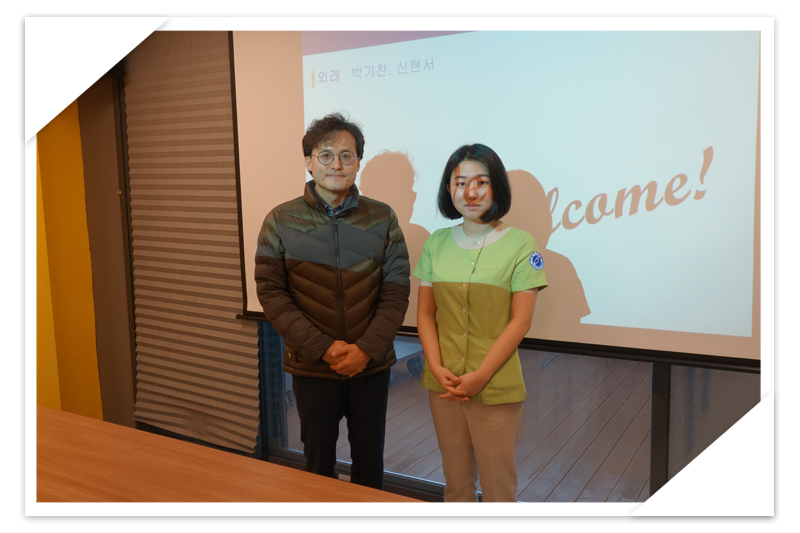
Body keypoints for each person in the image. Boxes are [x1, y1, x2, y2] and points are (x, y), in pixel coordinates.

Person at [254, 113, 410, 489]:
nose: (336, 165)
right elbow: (271, 293)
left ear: (358, 162)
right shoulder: (280, 220)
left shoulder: (382, 218)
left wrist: (366, 350)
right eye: (325, 155)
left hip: (370, 368)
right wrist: (324, 348)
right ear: (309, 162)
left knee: (369, 466)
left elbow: (396, 289)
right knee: (318, 467)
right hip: (313, 366)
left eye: (346, 155)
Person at [414, 144, 548, 502]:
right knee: (455, 485)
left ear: (496, 187)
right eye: (460, 183)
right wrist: (436, 367)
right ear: (448, 189)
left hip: (495, 386)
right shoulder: (435, 243)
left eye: (481, 182)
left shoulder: (521, 244)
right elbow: (425, 314)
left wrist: (480, 376)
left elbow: (520, 322)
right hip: (443, 385)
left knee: (498, 491)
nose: (470, 192)